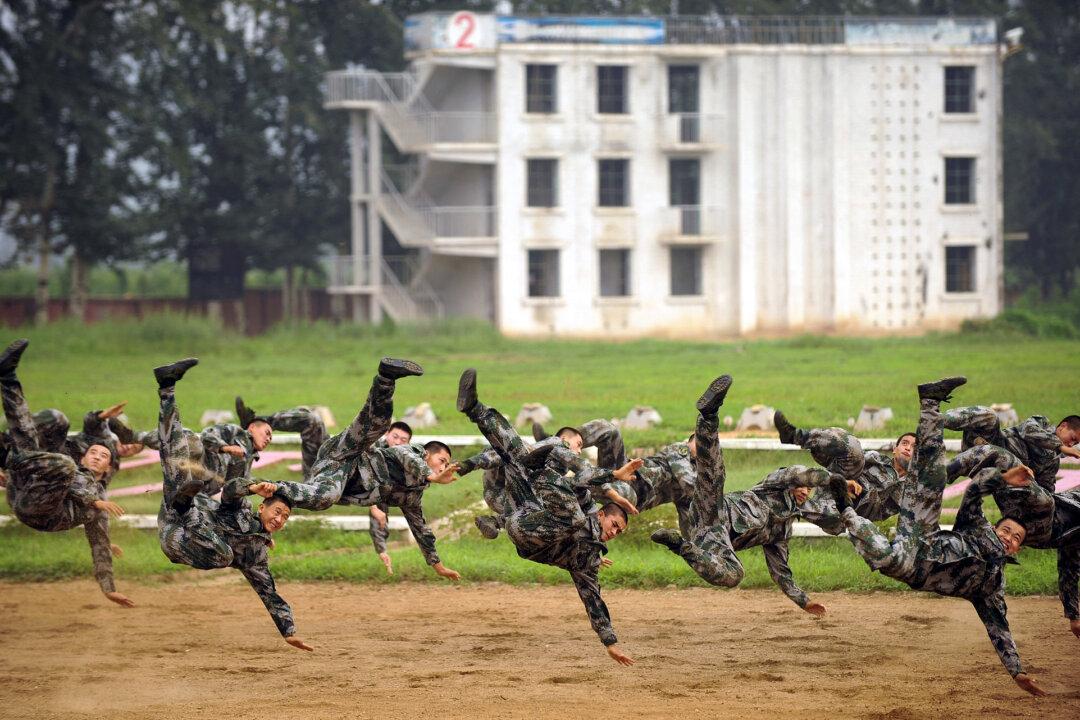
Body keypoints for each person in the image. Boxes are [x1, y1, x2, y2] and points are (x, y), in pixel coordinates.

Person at [828, 376, 1045, 695]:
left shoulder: (992, 588)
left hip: (912, 567)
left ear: (1017, 550)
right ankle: (929, 401)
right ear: (997, 528)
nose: (1008, 537)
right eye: (1007, 529)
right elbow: (973, 495)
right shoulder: (979, 528)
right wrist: (1004, 479)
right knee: (929, 475)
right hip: (923, 535)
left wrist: (1017, 672)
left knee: (884, 556)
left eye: (1015, 538)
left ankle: (844, 509)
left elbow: (998, 629)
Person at [457, 367, 636, 665]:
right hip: (524, 506)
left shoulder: (587, 559)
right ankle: (474, 408)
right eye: (615, 525)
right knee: (514, 449)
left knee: (573, 517)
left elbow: (591, 597)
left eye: (619, 532)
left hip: (530, 538)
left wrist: (610, 642)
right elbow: (582, 478)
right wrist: (613, 475)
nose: (615, 532)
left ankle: (515, 499)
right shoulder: (583, 502)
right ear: (603, 515)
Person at [153, 356, 311, 650]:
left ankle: (187, 500)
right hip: (182, 507)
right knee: (173, 449)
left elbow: (269, 591)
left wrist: (288, 630)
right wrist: (252, 486)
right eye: (278, 511)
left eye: (285, 518)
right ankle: (167, 387)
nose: (280, 519)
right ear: (262, 507)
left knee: (225, 554)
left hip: (178, 538)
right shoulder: (243, 497)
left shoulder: (256, 554)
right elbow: (231, 491)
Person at [650, 374, 838, 614]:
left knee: (734, 575)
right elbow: (797, 473)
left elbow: (781, 572)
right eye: (802, 486)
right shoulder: (774, 484)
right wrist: (833, 479)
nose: (804, 490)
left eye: (808, 489)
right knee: (713, 473)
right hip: (714, 509)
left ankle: (678, 545)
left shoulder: (781, 532)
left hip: (713, 540)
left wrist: (805, 602)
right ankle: (709, 414)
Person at [267, 359, 461, 581]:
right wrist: (433, 476)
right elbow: (403, 455)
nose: (444, 466)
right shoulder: (412, 451)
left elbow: (421, 530)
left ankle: (267, 493)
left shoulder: (411, 496)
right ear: (427, 454)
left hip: (333, 476)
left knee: (324, 499)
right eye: (442, 460)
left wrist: (438, 566)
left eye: (446, 465)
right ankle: (386, 377)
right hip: (347, 453)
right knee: (377, 425)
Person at [0, 338, 133, 608]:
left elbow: (99, 545)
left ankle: (7, 456)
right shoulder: (81, 477)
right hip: (25, 485)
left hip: (40, 512)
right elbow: (86, 434)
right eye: (93, 452)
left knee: (62, 465)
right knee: (50, 422)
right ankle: (7, 375)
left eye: (103, 456)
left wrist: (109, 589)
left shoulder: (99, 499)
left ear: (109, 468)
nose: (97, 456)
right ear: (84, 454)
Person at [533, 419, 697, 536]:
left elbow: (690, 527)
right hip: (626, 471)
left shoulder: (693, 488)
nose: (702, 447)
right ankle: (556, 444)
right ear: (691, 441)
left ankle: (551, 486)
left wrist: (694, 552)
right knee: (609, 430)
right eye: (699, 442)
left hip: (632, 495)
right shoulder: (680, 451)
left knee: (617, 490)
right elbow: (687, 481)